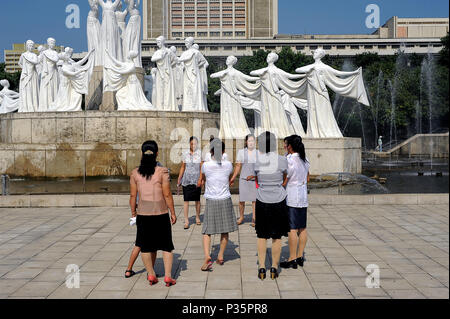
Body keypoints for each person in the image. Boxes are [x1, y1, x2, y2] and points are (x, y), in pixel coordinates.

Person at [129, 141, 177, 287]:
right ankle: (168, 277)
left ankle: (151, 274)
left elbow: (132, 196)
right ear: (156, 153)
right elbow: (167, 194)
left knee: (145, 246)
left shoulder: (135, 173)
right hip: (161, 213)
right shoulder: (162, 171)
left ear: (142, 153)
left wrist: (133, 213)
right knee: (166, 246)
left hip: (143, 214)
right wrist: (173, 213)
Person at [247, 131, 290, 280]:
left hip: (262, 200)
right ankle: (274, 268)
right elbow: (286, 176)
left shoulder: (257, 161)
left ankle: (261, 268)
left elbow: (257, 176)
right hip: (279, 200)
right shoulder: (282, 160)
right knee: (276, 236)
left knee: (262, 235)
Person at [200, 139, 238, 271]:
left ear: (210, 151)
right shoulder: (228, 165)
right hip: (225, 198)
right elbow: (228, 178)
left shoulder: (206, 165)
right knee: (224, 230)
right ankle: (220, 256)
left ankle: (206, 256)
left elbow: (204, 179)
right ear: (223, 151)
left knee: (207, 231)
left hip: (211, 199)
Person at [280, 135, 310, 269]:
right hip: (303, 196)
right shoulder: (304, 159)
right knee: (302, 227)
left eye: (286, 144)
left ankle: (292, 257)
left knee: (292, 228)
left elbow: (286, 177)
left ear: (290, 146)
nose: (284, 147)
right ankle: (299, 256)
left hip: (292, 196)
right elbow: (308, 178)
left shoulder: (289, 159)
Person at [230, 134, 257, 226]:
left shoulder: (258, 152)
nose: (251, 142)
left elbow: (260, 167)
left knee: (254, 200)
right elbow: (238, 166)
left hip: (254, 179)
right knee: (242, 200)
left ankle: (254, 218)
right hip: (243, 178)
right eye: (249, 141)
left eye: (252, 141)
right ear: (246, 142)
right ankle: (241, 217)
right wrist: (233, 178)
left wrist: (254, 176)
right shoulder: (241, 152)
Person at [177, 136, 202, 229]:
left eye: (195, 143)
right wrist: (179, 178)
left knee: (197, 200)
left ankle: (198, 217)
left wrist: (201, 179)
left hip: (196, 179)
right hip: (187, 179)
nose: (193, 145)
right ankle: (186, 220)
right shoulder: (185, 154)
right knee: (186, 200)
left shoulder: (200, 153)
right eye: (191, 143)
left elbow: (201, 167)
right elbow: (183, 167)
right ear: (189, 144)